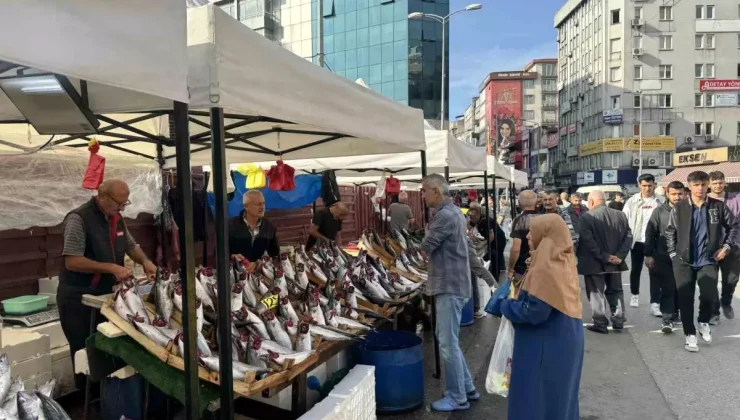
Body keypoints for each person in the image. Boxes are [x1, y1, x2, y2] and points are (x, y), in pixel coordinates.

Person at [58, 179, 157, 390]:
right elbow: (72, 261)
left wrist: (146, 261)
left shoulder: (116, 217)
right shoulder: (79, 218)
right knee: (84, 351)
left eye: (125, 203)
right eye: (118, 203)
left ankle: (108, 398)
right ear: (101, 195)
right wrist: (112, 268)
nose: (121, 207)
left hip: (105, 296)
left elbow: (130, 245)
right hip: (77, 298)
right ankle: (87, 401)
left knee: (106, 350)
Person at [488, 214, 584, 420]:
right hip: (564, 336)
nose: (529, 236)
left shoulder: (545, 264)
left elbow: (535, 312)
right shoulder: (561, 257)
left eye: (533, 231)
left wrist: (505, 305)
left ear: (546, 235)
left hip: (545, 343)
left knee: (536, 397)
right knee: (559, 397)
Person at [420, 174, 477, 411]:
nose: (422, 195)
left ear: (435, 191)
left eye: (424, 191)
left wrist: (425, 231)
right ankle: (467, 388)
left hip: (449, 285)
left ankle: (457, 397)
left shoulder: (443, 216)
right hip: (455, 283)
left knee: (446, 343)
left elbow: (426, 246)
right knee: (450, 341)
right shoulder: (454, 213)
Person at [666, 171, 739, 352]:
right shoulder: (680, 207)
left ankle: (703, 321)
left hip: (708, 259)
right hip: (683, 261)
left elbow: (734, 226)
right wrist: (673, 253)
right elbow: (670, 231)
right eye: (696, 185)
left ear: (707, 185)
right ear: (689, 187)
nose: (700, 188)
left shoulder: (717, 206)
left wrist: (726, 247)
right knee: (685, 298)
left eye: (703, 184)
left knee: (708, 295)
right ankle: (690, 335)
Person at [577, 190, 633, 334]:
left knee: (596, 293)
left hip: (594, 262)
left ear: (591, 202)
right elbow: (628, 236)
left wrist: (605, 256)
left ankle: (600, 323)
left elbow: (589, 241)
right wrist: (620, 256)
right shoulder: (620, 215)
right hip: (616, 262)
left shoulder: (587, 217)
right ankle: (618, 320)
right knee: (616, 291)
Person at [644, 181, 684, 333]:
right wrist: (648, 254)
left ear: (684, 194)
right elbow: (650, 234)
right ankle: (667, 320)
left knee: (681, 288)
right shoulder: (659, 212)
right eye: (673, 194)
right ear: (667, 194)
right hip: (663, 256)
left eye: (680, 194)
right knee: (668, 287)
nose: (677, 197)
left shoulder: (690, 210)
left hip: (684, 257)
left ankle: (675, 312)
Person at [623, 173, 665, 313]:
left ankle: (655, 303)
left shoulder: (660, 201)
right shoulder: (632, 201)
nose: (647, 188)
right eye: (644, 185)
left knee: (655, 271)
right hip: (638, 241)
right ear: (639, 185)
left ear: (654, 185)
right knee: (636, 269)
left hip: (655, 242)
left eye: (650, 185)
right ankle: (634, 295)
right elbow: (624, 219)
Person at [708, 171, 740, 321]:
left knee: (731, 279)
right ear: (709, 184)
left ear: (724, 182)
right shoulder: (705, 200)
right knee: (711, 279)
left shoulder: (736, 199)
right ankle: (714, 312)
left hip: (733, 245)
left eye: (720, 182)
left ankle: (726, 302)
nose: (718, 185)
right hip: (711, 246)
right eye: (714, 183)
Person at [228, 190, 279, 262]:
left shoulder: (269, 226)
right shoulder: (230, 225)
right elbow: (219, 252)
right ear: (246, 206)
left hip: (260, 271)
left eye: (263, 204)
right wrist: (233, 256)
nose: (262, 207)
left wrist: (261, 263)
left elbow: (274, 254)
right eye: (257, 204)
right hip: (236, 270)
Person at [467, 203, 506, 282]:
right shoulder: (477, 220)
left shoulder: (485, 221)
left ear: (477, 213)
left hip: (498, 242)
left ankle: (495, 281)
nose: (470, 218)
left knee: (494, 260)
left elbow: (491, 237)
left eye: (472, 216)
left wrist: (481, 245)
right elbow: (469, 227)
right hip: (493, 242)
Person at [508, 190, 540, 286]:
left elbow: (516, 249)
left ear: (519, 202)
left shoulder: (519, 220)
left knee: (520, 297)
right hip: (541, 266)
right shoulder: (544, 218)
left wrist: (510, 268)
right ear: (536, 202)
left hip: (522, 268)